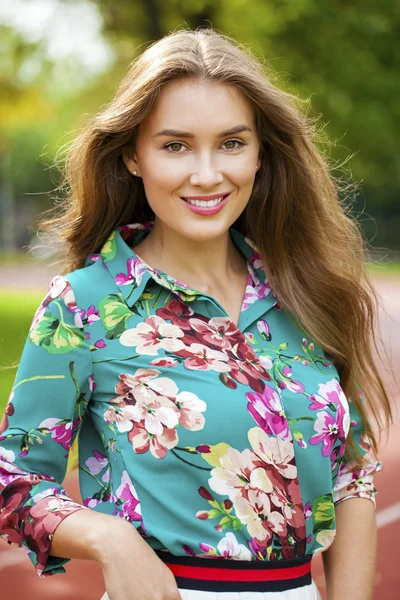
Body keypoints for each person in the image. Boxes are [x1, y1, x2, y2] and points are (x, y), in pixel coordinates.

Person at [0, 27, 393, 600]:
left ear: (262, 153)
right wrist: (110, 539)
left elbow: (350, 475)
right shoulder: (85, 305)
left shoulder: (305, 292)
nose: (208, 174)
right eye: (175, 145)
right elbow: (14, 481)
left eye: (232, 143)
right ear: (133, 155)